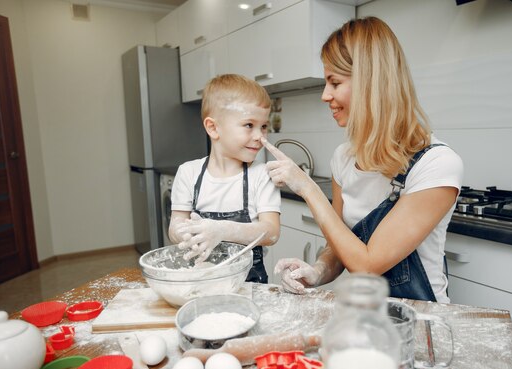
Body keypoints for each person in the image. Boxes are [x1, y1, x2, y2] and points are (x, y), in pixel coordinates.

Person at [262, 17, 463, 302]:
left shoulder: (437, 164)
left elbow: (367, 264)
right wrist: (318, 270)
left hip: (420, 318)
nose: (324, 95)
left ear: (372, 82)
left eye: (334, 82)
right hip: (363, 312)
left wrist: (307, 187)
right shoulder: (343, 158)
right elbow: (340, 247)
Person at [169, 74, 281, 283]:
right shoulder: (188, 173)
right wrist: (188, 234)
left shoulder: (261, 175)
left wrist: (222, 230)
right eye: (249, 125)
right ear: (213, 128)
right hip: (201, 279)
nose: (260, 136)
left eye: (263, 126)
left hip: (250, 284)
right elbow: (176, 226)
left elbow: (271, 232)